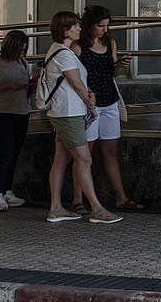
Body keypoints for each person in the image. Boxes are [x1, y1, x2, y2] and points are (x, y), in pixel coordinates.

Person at [42, 11, 122, 224]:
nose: (79, 29)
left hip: (64, 112)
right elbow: (76, 83)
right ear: (65, 30)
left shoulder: (58, 50)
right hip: (68, 113)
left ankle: (56, 207)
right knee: (84, 159)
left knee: (61, 159)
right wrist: (90, 103)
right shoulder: (65, 54)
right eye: (75, 26)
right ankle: (96, 208)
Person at [69, 5, 142, 213]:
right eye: (100, 26)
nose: (104, 29)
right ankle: (78, 199)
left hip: (109, 100)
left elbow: (112, 72)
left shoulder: (109, 42)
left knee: (111, 150)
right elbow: (75, 78)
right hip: (88, 104)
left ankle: (121, 196)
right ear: (89, 25)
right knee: (85, 155)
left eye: (106, 26)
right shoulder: (77, 46)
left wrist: (120, 65)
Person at [0, 30, 33, 212]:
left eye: (24, 47)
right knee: (4, 153)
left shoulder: (24, 63)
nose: (22, 50)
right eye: (20, 46)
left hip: (21, 111)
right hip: (0, 112)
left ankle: (7, 189)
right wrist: (8, 86)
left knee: (14, 153)